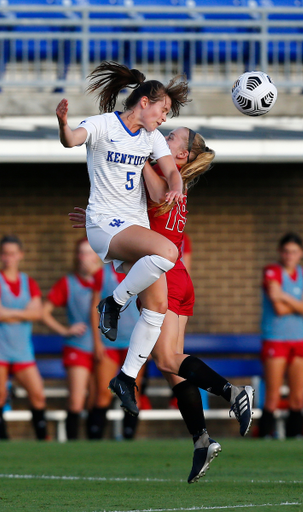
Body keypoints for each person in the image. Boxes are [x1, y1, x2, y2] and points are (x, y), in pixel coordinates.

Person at [69, 126, 255, 483]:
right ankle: (201, 440)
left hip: (163, 276)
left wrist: (137, 149)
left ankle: (234, 392)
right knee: (173, 367)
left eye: (171, 138)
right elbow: (131, 213)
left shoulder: (161, 177)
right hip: (177, 274)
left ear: (182, 155)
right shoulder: (174, 180)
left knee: (166, 358)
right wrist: (99, 219)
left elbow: (135, 190)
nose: (163, 138)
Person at [57, 61, 189, 417]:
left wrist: (176, 189)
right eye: (163, 110)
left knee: (158, 307)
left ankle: (126, 378)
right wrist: (63, 124)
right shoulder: (102, 125)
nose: (164, 118)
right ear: (144, 102)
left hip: (132, 226)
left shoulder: (151, 138)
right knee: (167, 251)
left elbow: (172, 173)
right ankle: (113, 303)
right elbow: (71, 141)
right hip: (104, 224)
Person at [42, 238, 101, 440]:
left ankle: (94, 448)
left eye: (89, 252)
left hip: (103, 350)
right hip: (78, 347)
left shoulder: (109, 281)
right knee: (76, 401)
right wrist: (65, 330)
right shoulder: (68, 283)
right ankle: (72, 447)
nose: (84, 257)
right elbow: (44, 312)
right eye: (81, 252)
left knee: (97, 400)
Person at [258, 232, 303, 438]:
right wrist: (297, 304)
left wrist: (284, 295)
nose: (290, 255)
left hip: (299, 338)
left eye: (294, 252)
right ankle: (264, 436)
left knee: (298, 397)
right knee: (273, 395)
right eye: (286, 251)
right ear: (280, 252)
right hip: (276, 338)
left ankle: (295, 438)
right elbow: (279, 308)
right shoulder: (272, 271)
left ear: (301, 254)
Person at [87, 262, 148, 440]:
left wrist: (149, 341)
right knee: (103, 393)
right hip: (108, 343)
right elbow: (94, 309)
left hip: (135, 342)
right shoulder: (102, 273)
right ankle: (94, 441)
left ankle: (129, 441)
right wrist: (96, 341)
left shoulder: (144, 270)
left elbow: (150, 306)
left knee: (132, 392)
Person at [0, 235, 46, 440]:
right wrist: (23, 313)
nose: (8, 257)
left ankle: (43, 441)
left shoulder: (29, 282)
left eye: (12, 253)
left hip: (22, 352)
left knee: (38, 396)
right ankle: (4, 441)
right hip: (1, 350)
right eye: (4, 253)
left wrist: (8, 313)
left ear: (20, 255)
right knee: (0, 396)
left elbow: (37, 313)